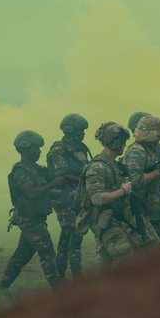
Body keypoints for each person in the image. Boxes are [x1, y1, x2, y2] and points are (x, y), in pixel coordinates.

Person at [79, 121, 160, 270]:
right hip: (105, 221)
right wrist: (122, 191)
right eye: (122, 142)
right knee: (125, 258)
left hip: (117, 218)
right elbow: (97, 199)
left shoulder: (114, 165)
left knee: (107, 263)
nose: (124, 145)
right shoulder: (98, 167)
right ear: (115, 142)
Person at [0, 130, 66, 290]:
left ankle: (2, 286)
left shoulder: (36, 169)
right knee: (47, 251)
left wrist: (65, 193)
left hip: (35, 218)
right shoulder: (20, 171)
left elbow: (44, 190)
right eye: (36, 148)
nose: (39, 151)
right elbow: (30, 193)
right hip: (29, 219)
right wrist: (53, 184)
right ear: (26, 149)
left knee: (22, 255)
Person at [45, 113, 92, 281]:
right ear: (70, 130)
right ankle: (69, 274)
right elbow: (62, 174)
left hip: (78, 198)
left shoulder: (80, 148)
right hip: (64, 199)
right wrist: (85, 181)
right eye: (80, 131)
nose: (83, 134)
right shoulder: (58, 150)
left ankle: (69, 274)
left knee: (73, 237)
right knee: (71, 235)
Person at [122, 115, 160, 244]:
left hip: (155, 209)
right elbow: (133, 181)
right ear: (150, 134)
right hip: (141, 211)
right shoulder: (137, 152)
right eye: (158, 135)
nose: (159, 138)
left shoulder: (152, 150)